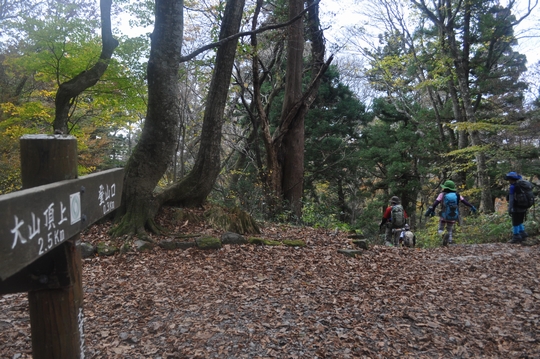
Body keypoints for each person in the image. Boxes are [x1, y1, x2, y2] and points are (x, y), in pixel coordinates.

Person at [425, 180, 477, 245]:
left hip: (444, 215)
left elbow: (435, 203)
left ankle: (443, 236)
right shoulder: (457, 195)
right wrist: (472, 206)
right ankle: (449, 242)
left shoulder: (442, 194)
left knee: (441, 228)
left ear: (445, 187)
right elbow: (465, 202)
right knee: (449, 229)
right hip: (453, 215)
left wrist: (432, 210)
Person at [505, 171, 530, 243]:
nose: (508, 181)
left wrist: (510, 209)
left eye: (509, 179)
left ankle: (516, 236)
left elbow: (511, 199)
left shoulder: (513, 187)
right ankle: (523, 234)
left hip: (516, 208)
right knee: (520, 221)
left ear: (511, 179)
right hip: (523, 207)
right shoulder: (520, 186)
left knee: (515, 222)